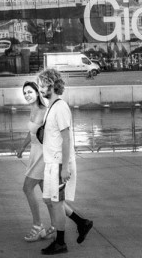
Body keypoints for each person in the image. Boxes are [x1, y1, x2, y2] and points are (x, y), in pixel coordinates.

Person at [36, 68, 93, 254]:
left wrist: (65, 168)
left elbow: (67, 138)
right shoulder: (51, 107)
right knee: (49, 200)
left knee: (57, 203)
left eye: (42, 85)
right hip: (51, 162)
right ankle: (82, 222)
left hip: (59, 163)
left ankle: (60, 242)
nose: (40, 88)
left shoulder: (60, 107)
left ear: (51, 85)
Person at [16, 81, 53, 243]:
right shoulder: (34, 110)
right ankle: (54, 228)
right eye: (25, 93)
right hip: (35, 154)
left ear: (38, 93)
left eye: (30, 92)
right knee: (49, 196)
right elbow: (31, 132)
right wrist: (22, 147)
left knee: (27, 188)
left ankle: (38, 226)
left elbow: (50, 135)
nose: (27, 95)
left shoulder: (44, 111)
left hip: (42, 156)